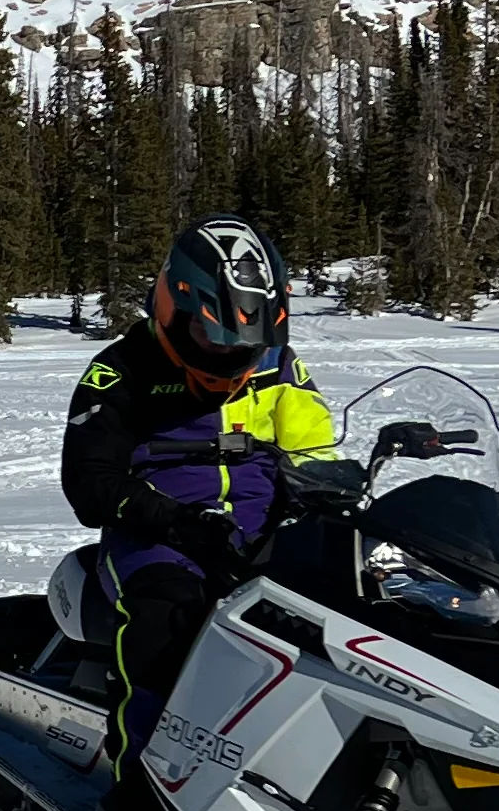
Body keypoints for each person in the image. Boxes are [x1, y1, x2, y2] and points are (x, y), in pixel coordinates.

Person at [58, 215, 335, 767]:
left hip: (258, 533)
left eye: (245, 343)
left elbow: (314, 451)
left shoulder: (279, 366)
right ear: (172, 310)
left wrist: (333, 496)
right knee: (166, 620)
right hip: (158, 537)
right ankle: (139, 783)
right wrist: (175, 521)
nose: (230, 357)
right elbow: (90, 483)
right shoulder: (121, 371)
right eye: (212, 337)